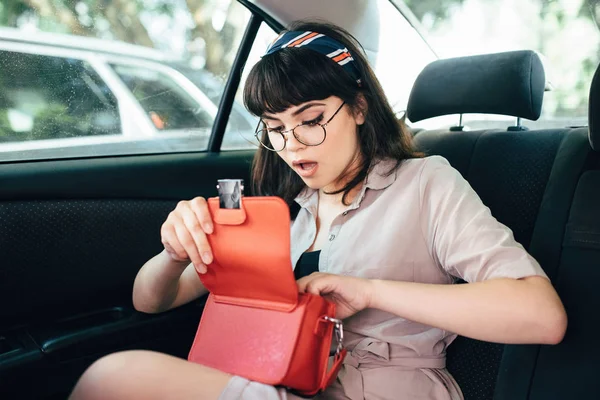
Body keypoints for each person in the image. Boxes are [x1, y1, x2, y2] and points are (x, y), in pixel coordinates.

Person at [69, 20, 567, 400]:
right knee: (114, 379)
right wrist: (176, 250)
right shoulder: (290, 214)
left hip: (384, 389)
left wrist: (371, 291)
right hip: (289, 380)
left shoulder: (424, 183)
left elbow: (541, 315)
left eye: (310, 120)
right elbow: (150, 300)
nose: (292, 144)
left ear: (358, 108)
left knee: (116, 377)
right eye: (277, 127)